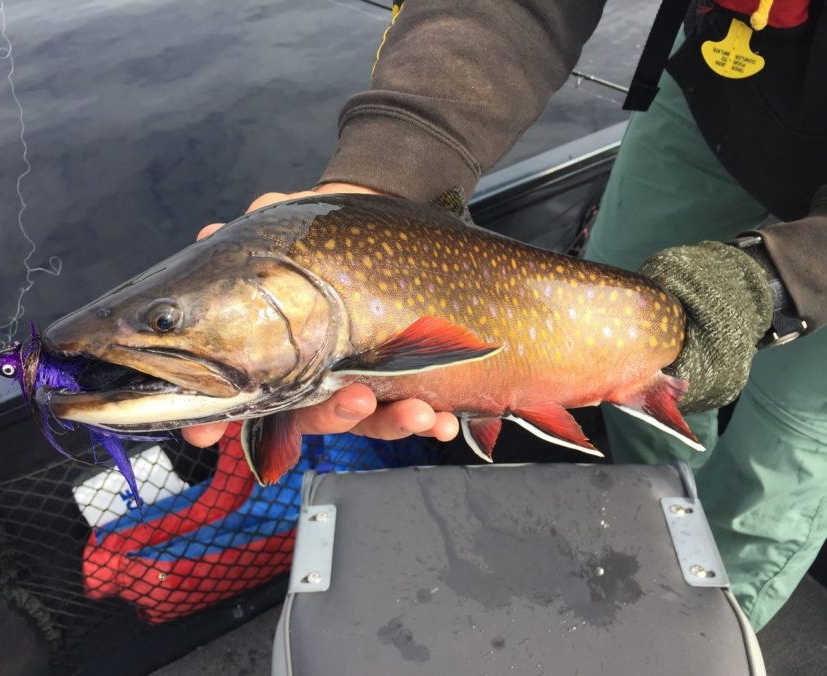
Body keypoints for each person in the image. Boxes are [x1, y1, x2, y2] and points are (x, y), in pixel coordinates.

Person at [184, 0, 827, 631]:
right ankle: (648, 508)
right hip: (732, 72)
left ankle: (702, 631)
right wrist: (388, 174)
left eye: (166, 324)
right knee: (624, 286)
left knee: (786, 433)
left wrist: (776, 284)